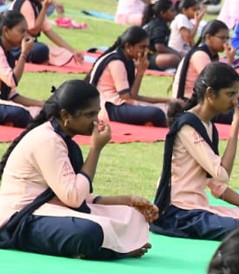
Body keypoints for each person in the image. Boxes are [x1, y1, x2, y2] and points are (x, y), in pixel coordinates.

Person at [0, 80, 155, 259]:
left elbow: (79, 197)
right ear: (66, 115)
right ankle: (108, 248)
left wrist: (125, 200)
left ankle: (107, 246)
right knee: (90, 231)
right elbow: (73, 197)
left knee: (132, 215)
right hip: (22, 218)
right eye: (89, 115)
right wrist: (95, 150)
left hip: (55, 209)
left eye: (97, 113)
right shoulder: (47, 140)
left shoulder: (63, 140)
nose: (96, 121)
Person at [152, 63, 239, 240]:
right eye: (230, 94)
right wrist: (235, 127)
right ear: (210, 94)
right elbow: (221, 174)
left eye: (236, 95)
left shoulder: (208, 127)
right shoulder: (187, 126)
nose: (234, 101)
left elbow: (218, 187)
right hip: (180, 213)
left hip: (200, 209)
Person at [87, 27, 173, 127]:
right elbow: (127, 97)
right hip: (109, 107)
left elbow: (133, 95)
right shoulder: (117, 63)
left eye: (146, 47)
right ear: (128, 47)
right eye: (142, 47)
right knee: (157, 113)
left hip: (118, 104)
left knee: (164, 108)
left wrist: (140, 72)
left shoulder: (128, 60)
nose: (146, 51)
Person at [11, 0, 82, 67]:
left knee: (60, 51)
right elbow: (33, 30)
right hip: (14, 45)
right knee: (41, 49)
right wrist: (44, 8)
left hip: (27, 43)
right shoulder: (25, 3)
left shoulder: (37, 5)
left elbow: (49, 32)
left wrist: (72, 51)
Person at [171, 19, 236, 104]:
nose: (226, 42)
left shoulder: (213, 55)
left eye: (227, 38)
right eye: (222, 38)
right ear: (208, 37)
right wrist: (230, 60)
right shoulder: (200, 55)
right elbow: (218, 84)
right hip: (187, 102)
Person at [0, 10, 40, 126]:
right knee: (21, 114)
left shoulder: (9, 55)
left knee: (42, 111)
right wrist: (24, 54)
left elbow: (11, 95)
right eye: (21, 31)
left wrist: (41, 103)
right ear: (6, 31)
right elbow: (12, 80)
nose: (25, 36)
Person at [142, 0, 182, 71]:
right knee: (174, 59)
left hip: (150, 55)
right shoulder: (159, 26)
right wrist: (178, 54)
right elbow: (159, 47)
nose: (175, 13)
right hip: (145, 57)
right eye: (172, 11)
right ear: (162, 13)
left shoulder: (160, 23)